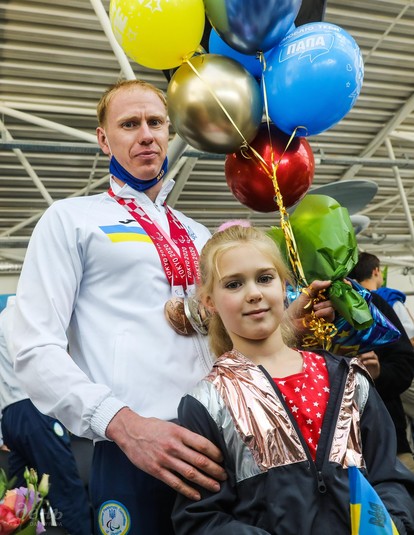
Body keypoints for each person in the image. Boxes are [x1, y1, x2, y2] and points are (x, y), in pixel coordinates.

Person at [11, 79, 335, 534]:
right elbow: (33, 348)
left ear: (168, 131)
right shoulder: (71, 220)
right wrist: (122, 425)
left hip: (223, 437)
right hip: (134, 446)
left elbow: (223, 336)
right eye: (129, 124)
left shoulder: (198, 232)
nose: (146, 134)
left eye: (155, 122)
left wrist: (287, 325)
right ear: (103, 138)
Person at [172, 224, 414, 534]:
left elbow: (389, 478)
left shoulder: (349, 380)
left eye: (264, 278)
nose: (254, 293)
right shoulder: (209, 402)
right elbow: (201, 518)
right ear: (209, 301)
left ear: (283, 284)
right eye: (233, 284)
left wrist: (390, 524)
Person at [0, 296, 92, 535]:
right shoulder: (22, 316)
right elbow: (35, 363)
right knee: (66, 489)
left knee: (18, 498)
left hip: (11, 415)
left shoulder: (4, 318)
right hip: (34, 410)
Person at [349, 251, 414, 472]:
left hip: (387, 443)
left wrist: (379, 374)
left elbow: (403, 363)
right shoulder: (299, 313)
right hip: (328, 460)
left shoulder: (374, 304)